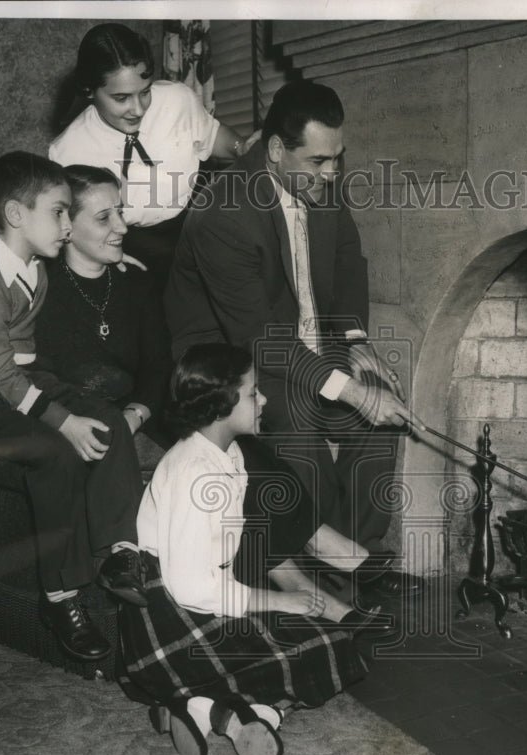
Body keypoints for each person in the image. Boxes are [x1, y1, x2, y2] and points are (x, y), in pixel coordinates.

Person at [165, 79, 422, 599]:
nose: (332, 175)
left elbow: (348, 258)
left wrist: (353, 340)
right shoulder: (223, 211)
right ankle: (330, 569)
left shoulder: (314, 176)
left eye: (337, 160)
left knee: (381, 419)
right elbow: (258, 336)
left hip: (303, 345)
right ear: (277, 151)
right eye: (319, 163)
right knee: (299, 422)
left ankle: (357, 563)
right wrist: (348, 389)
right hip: (235, 360)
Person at [118, 343, 382, 755]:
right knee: (327, 649)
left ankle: (214, 712)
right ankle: (236, 708)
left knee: (331, 644)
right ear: (222, 401)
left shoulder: (228, 455)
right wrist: (278, 600)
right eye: (254, 392)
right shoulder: (194, 473)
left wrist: (273, 602)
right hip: (168, 615)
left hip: (201, 601)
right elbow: (189, 586)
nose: (264, 399)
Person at [0, 151, 147, 663]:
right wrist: (61, 419)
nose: (67, 227)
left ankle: (120, 552)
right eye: (58, 212)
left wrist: (116, 260)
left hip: (20, 377)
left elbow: (25, 363)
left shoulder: (34, 266)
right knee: (56, 450)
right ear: (14, 215)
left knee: (111, 419)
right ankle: (60, 597)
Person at [49, 23, 258, 283]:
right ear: (90, 90)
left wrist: (243, 148)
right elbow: (68, 230)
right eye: (121, 98)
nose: (138, 109)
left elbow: (213, 136)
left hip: (199, 224)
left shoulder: (177, 99)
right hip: (132, 248)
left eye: (145, 92)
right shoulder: (67, 152)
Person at [32, 164, 174, 448]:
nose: (122, 227)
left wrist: (134, 416)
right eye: (103, 218)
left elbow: (158, 365)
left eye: (119, 212)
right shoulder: (39, 290)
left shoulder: (137, 281)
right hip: (73, 430)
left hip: (142, 419)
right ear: (66, 228)